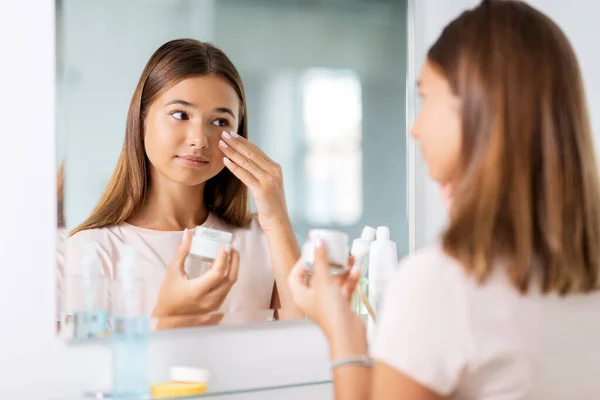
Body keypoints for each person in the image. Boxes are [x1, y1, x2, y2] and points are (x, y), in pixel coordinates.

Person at [288, 1, 600, 398]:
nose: (415, 129)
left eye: (425, 97)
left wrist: (344, 341)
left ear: (477, 110)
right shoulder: (584, 280)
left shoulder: (442, 285)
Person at [66, 38, 300, 325]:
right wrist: (169, 318)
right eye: (180, 114)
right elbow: (84, 370)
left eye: (220, 122)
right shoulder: (92, 251)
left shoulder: (260, 238)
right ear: (140, 122)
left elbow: (306, 343)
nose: (199, 140)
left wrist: (278, 219)